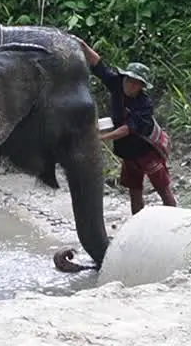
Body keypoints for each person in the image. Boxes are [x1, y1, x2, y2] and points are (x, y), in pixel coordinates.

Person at [75, 38, 177, 214]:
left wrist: (100, 137)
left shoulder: (144, 104)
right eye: (129, 80)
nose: (131, 85)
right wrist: (83, 46)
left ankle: (176, 221)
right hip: (128, 153)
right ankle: (136, 226)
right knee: (135, 191)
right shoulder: (117, 84)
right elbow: (99, 66)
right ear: (125, 77)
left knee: (163, 189)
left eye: (137, 83)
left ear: (142, 86)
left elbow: (127, 129)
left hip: (147, 151)